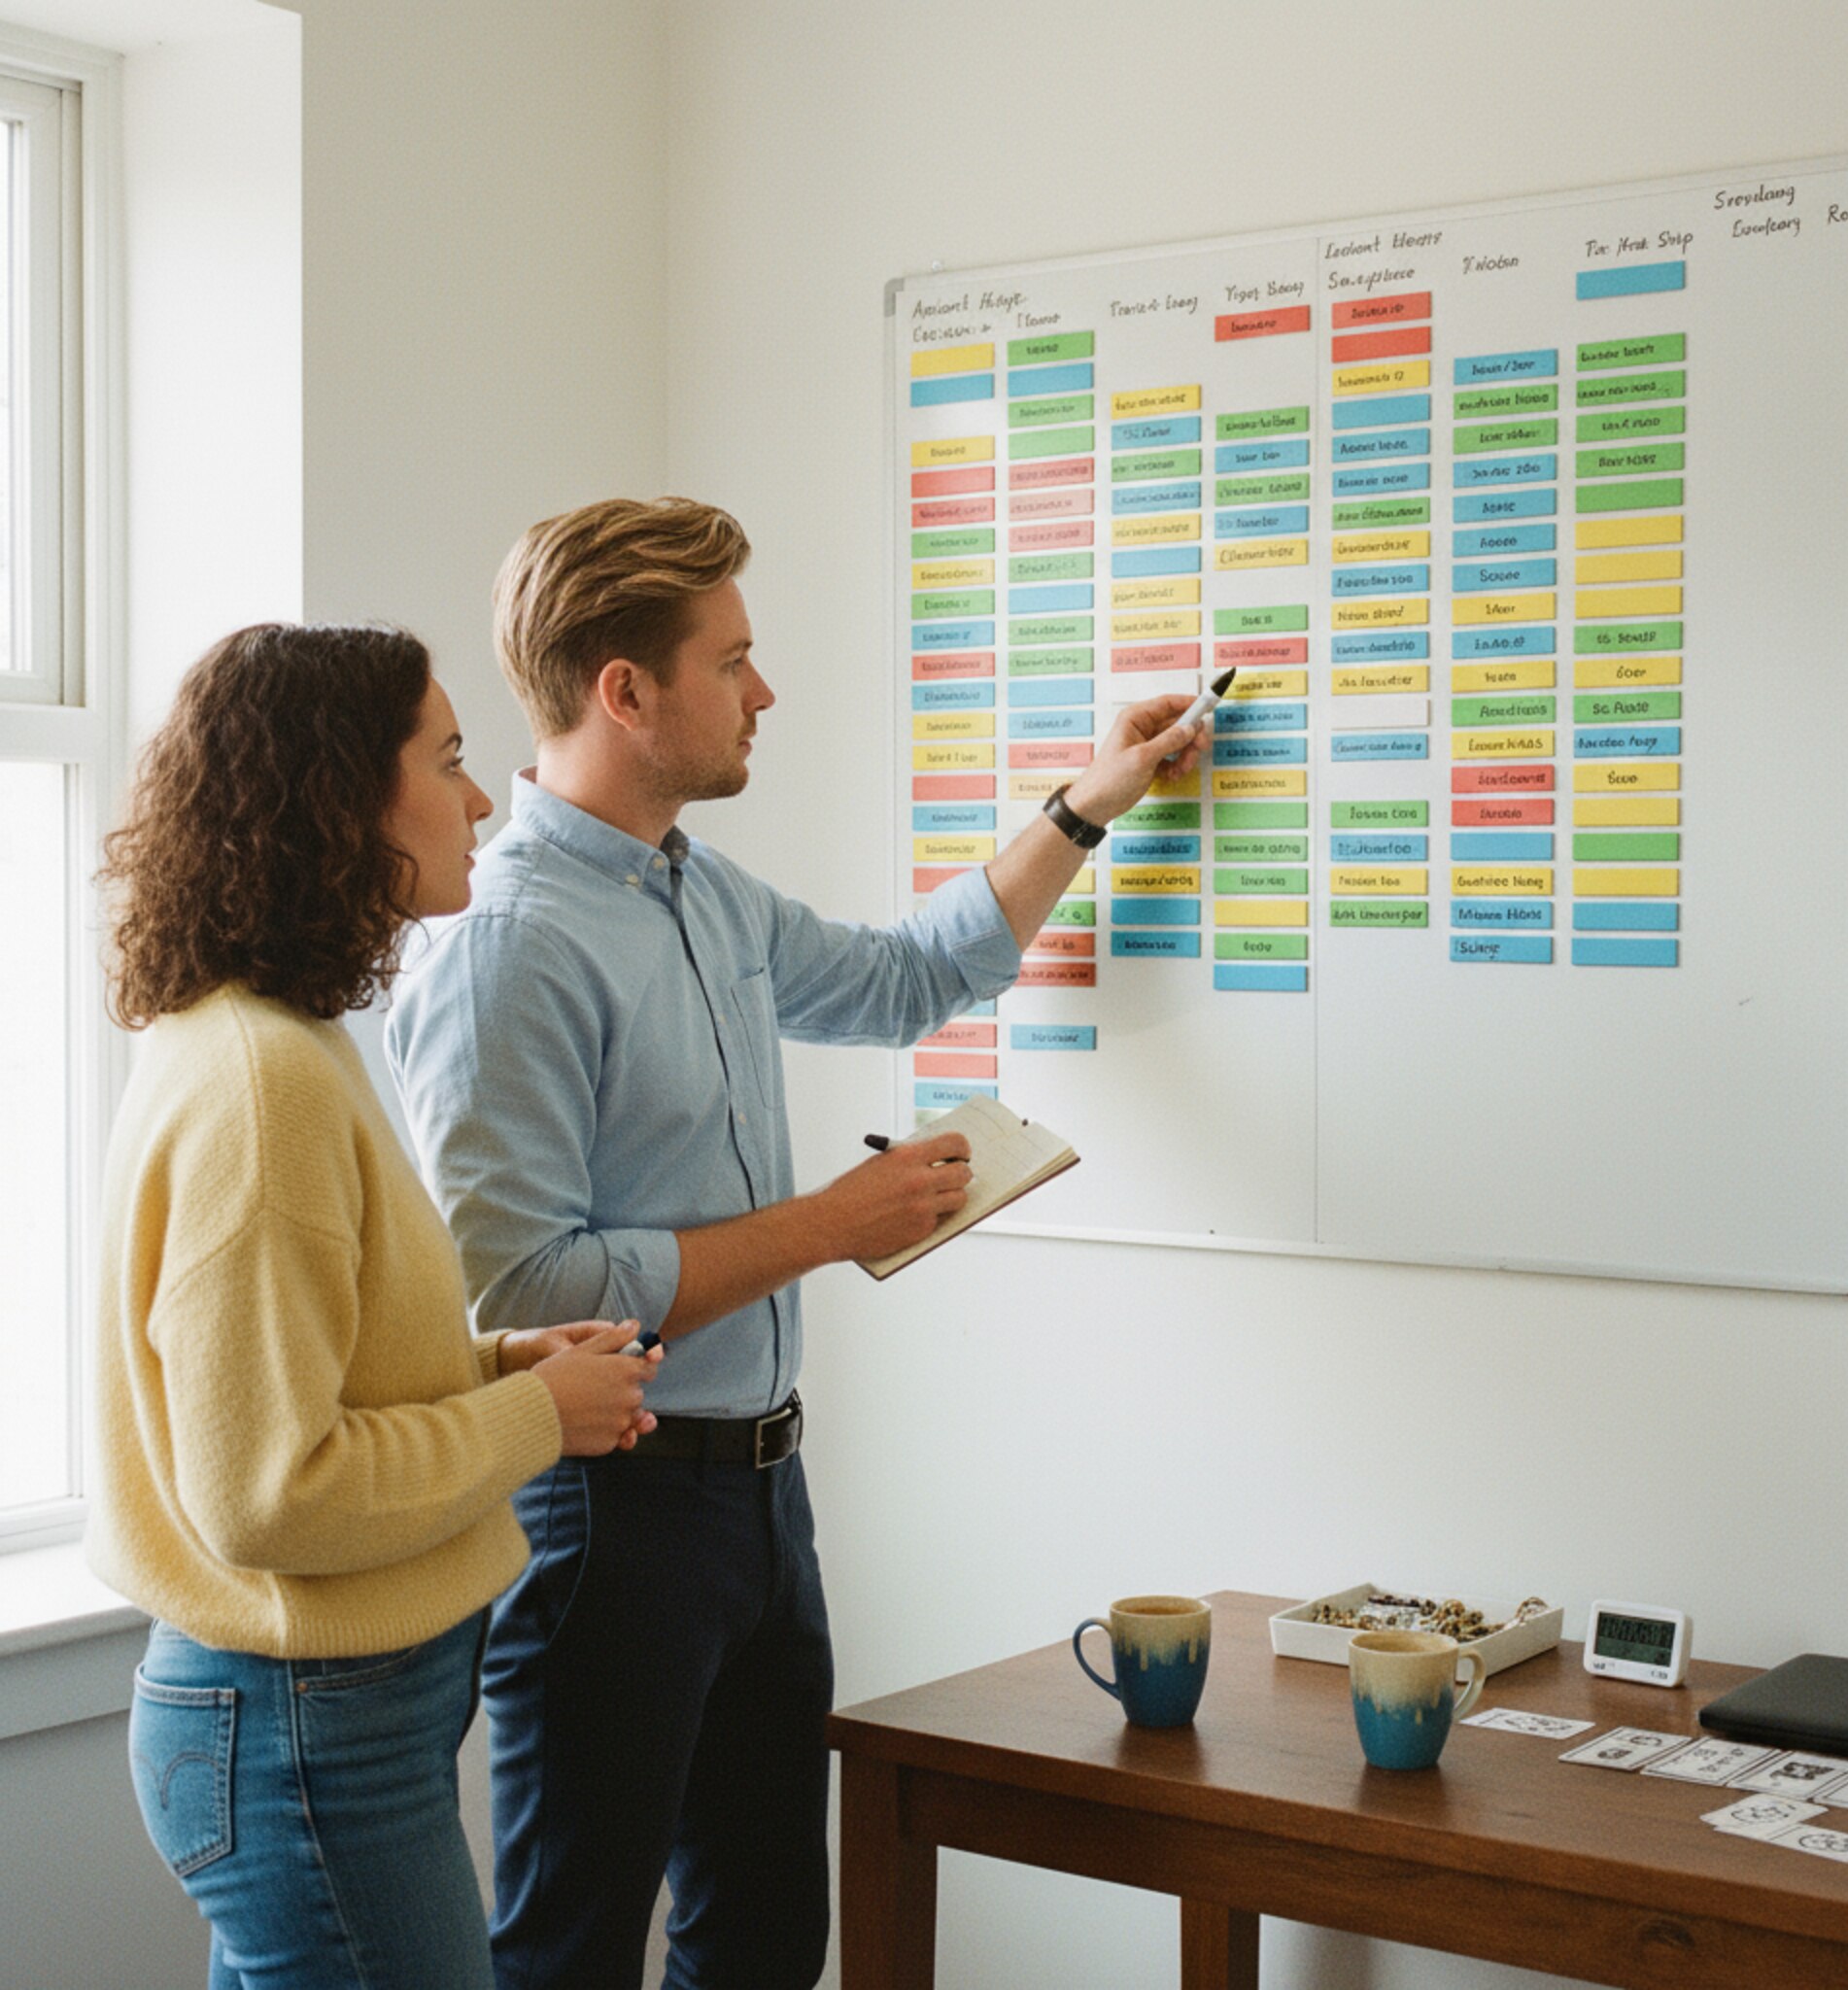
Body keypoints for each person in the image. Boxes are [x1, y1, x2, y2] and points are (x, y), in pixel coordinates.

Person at [386, 498, 1208, 1990]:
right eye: (735, 659)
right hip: (606, 1519)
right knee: (570, 1954)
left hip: (761, 1504)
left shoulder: (700, 888)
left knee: (763, 1940)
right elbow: (517, 1294)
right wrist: (826, 1227)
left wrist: (1090, 800)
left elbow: (907, 977)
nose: (765, 692)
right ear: (624, 691)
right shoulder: (507, 945)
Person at [89, 621, 665, 1990]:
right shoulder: (262, 1084)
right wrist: (533, 1416)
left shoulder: (272, 1044)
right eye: (451, 759)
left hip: (310, 1724)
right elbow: (270, 1491)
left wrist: (491, 1368)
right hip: (300, 1734)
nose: (482, 798)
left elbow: (303, 1379)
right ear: (339, 800)